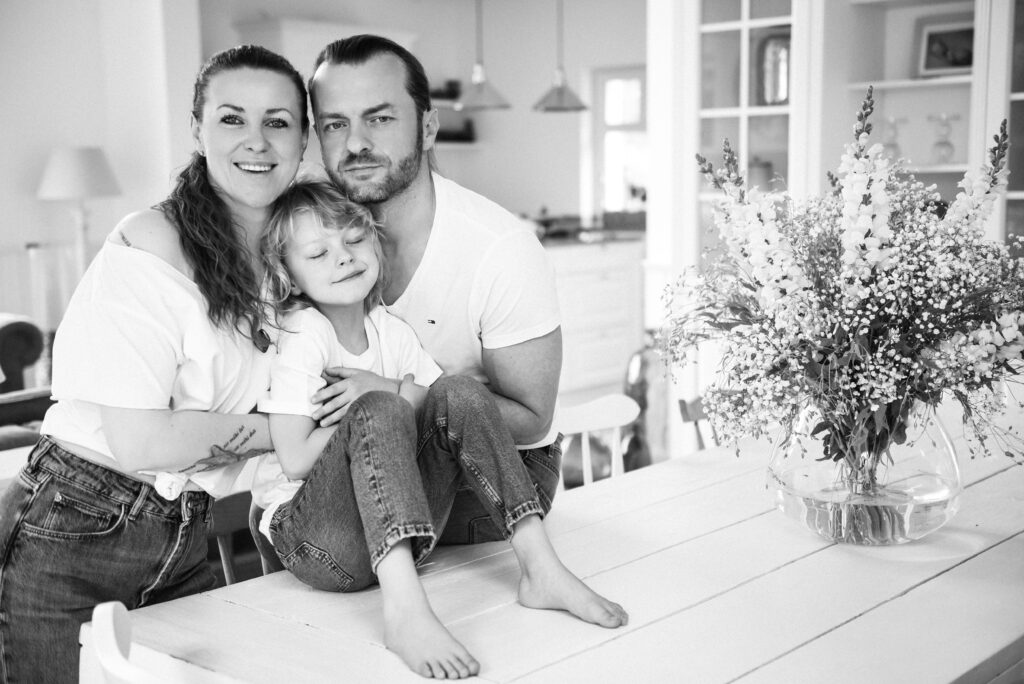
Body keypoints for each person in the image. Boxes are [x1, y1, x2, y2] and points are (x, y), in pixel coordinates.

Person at [0, 45, 308, 683]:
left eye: (278, 121)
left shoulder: (291, 258)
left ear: (303, 139)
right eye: (232, 118)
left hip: (185, 528)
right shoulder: (152, 242)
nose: (257, 140)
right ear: (197, 128)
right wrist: (288, 430)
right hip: (74, 528)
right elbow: (143, 442)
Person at [253, 178, 627, 679]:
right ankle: (406, 612)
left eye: (355, 238)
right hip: (318, 541)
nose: (343, 257)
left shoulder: (392, 332)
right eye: (319, 253)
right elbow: (296, 458)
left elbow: (442, 407)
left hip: (396, 534)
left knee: (460, 391)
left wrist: (389, 390)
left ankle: (540, 568)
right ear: (291, 278)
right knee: (382, 409)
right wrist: (374, 406)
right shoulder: (304, 334)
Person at [307, 32, 571, 545]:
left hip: (504, 472)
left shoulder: (501, 248)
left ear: (428, 128)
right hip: (380, 461)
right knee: (279, 518)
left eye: (380, 119)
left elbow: (533, 420)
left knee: (332, 540)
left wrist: (392, 397)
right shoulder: (316, 242)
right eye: (335, 124)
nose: (355, 144)